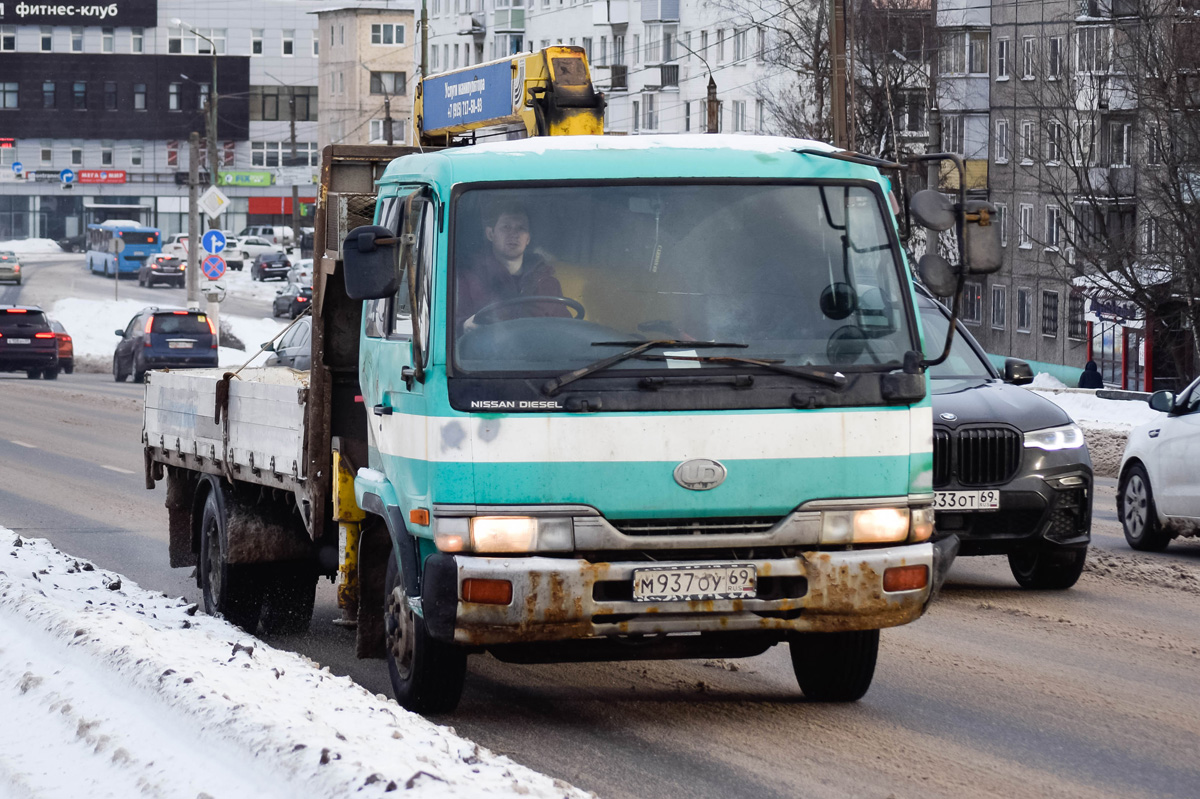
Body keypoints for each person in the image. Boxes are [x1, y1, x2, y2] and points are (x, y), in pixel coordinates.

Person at [456, 203, 571, 332]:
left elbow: (566, 329)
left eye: (521, 228)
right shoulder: (468, 279)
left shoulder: (548, 283)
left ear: (528, 238)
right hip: (489, 351)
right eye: (506, 227)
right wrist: (464, 325)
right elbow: (449, 326)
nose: (514, 234)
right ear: (490, 234)